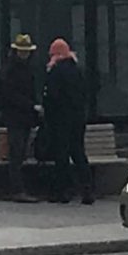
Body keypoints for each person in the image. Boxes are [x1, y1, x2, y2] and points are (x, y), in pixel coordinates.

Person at [41, 38, 94, 205]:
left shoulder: (55, 72)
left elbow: (51, 97)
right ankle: (87, 190)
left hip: (60, 119)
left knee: (61, 154)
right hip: (78, 118)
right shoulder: (78, 70)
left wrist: (47, 113)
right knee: (78, 152)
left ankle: (62, 191)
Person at [0, 34, 41, 203]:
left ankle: (12, 188)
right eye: (22, 51)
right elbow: (10, 95)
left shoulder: (19, 69)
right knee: (16, 153)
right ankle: (16, 189)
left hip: (22, 117)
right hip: (16, 117)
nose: (25, 54)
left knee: (18, 153)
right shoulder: (11, 71)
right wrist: (31, 106)